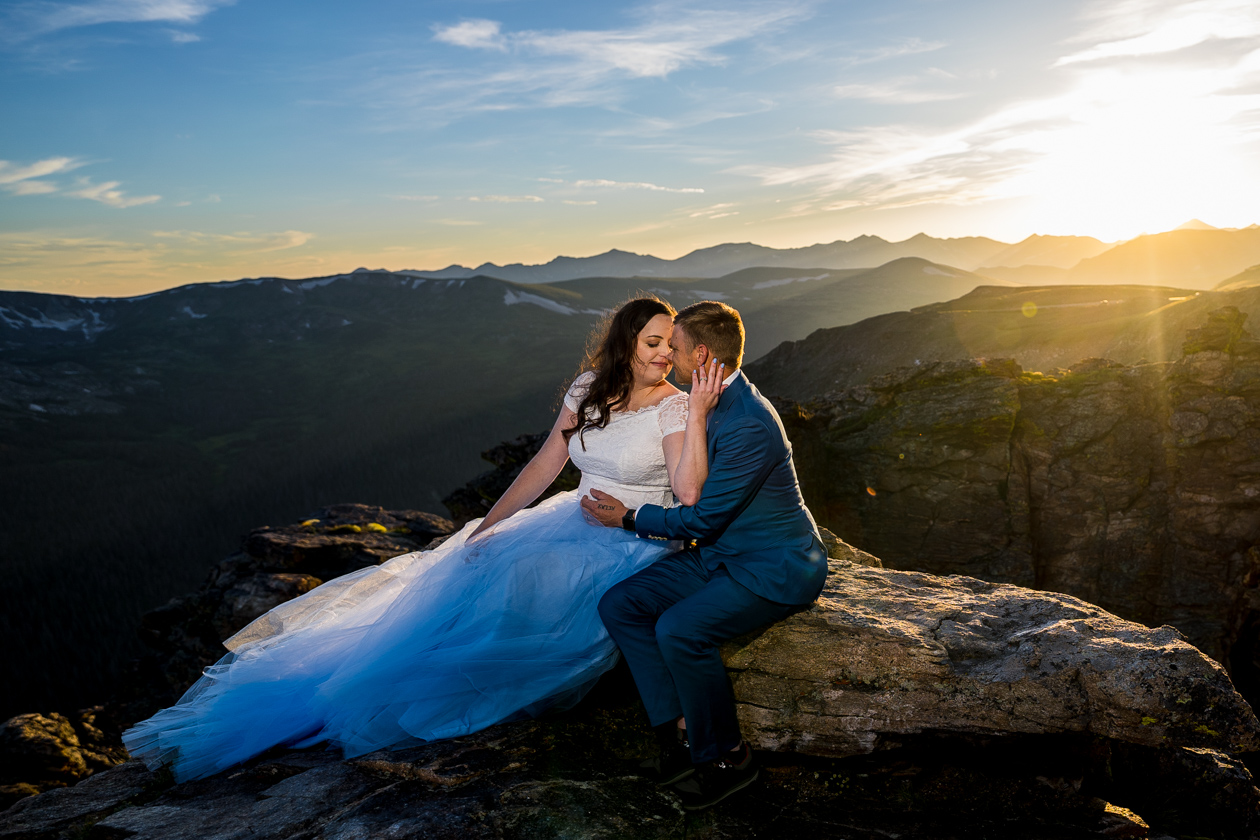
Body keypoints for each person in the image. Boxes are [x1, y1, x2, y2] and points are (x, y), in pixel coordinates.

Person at [123, 297, 727, 783]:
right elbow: (545, 466)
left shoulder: (674, 410)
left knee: (538, 586)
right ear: (626, 343)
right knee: (482, 567)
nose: (664, 355)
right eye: (653, 343)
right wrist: (487, 527)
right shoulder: (588, 389)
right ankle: (398, 680)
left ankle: (477, 687)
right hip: (571, 515)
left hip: (634, 534)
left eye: (670, 346)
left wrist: (696, 416)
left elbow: (688, 492)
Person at [583, 300, 828, 812]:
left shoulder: (748, 423)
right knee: (620, 604)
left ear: (699, 352)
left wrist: (628, 517)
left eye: (672, 347)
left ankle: (727, 758)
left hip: (771, 567)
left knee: (680, 629)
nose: (667, 356)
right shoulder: (706, 397)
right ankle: (676, 736)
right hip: (719, 557)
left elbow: (701, 520)